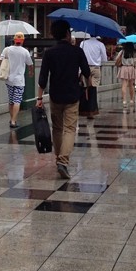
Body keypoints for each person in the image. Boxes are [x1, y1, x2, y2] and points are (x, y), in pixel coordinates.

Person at [36, 19, 90, 179]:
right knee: (70, 129)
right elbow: (87, 72)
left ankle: (59, 158)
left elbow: (42, 78)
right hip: (72, 95)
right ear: (68, 34)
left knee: (57, 128)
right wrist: (80, 76)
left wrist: (39, 98)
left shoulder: (49, 53)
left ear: (54, 34)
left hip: (55, 95)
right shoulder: (77, 52)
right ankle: (63, 161)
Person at [0, 32, 33, 128]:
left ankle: (12, 119)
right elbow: (30, 64)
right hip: (19, 81)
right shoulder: (25, 52)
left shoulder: (7, 50)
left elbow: (0, 61)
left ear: (14, 40)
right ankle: (14, 121)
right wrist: (31, 72)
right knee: (17, 101)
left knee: (11, 101)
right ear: (22, 40)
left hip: (9, 79)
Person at [80, 35, 108, 118]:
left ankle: (84, 109)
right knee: (93, 88)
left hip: (85, 68)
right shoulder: (100, 44)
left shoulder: (83, 43)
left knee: (85, 88)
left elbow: (80, 55)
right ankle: (92, 110)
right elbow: (104, 59)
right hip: (96, 68)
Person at [115, 42, 136, 110]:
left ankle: (124, 101)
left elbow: (117, 59)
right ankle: (131, 100)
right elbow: (135, 62)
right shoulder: (134, 53)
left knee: (124, 85)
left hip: (124, 68)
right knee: (131, 85)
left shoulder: (122, 52)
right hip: (131, 68)